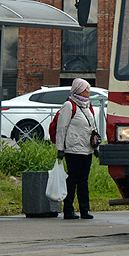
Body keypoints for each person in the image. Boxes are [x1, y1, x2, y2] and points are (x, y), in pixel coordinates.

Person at [55, 78, 96, 220]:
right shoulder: (69, 105)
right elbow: (62, 128)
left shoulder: (87, 105)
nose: (88, 92)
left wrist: (95, 145)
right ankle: (68, 209)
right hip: (73, 150)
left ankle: (85, 210)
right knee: (73, 180)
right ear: (79, 90)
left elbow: (92, 126)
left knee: (83, 180)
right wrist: (60, 148)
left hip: (87, 149)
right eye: (86, 89)